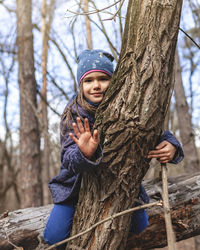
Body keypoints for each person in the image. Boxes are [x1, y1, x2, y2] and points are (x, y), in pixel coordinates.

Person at [43, 49, 184, 249]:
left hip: (118, 180)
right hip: (74, 186)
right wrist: (84, 152)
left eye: (103, 78)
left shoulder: (125, 105)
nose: (96, 86)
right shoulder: (72, 114)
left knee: (139, 225)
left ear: (114, 81)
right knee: (54, 236)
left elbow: (151, 130)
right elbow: (68, 158)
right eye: (88, 81)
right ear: (80, 85)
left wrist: (172, 145)